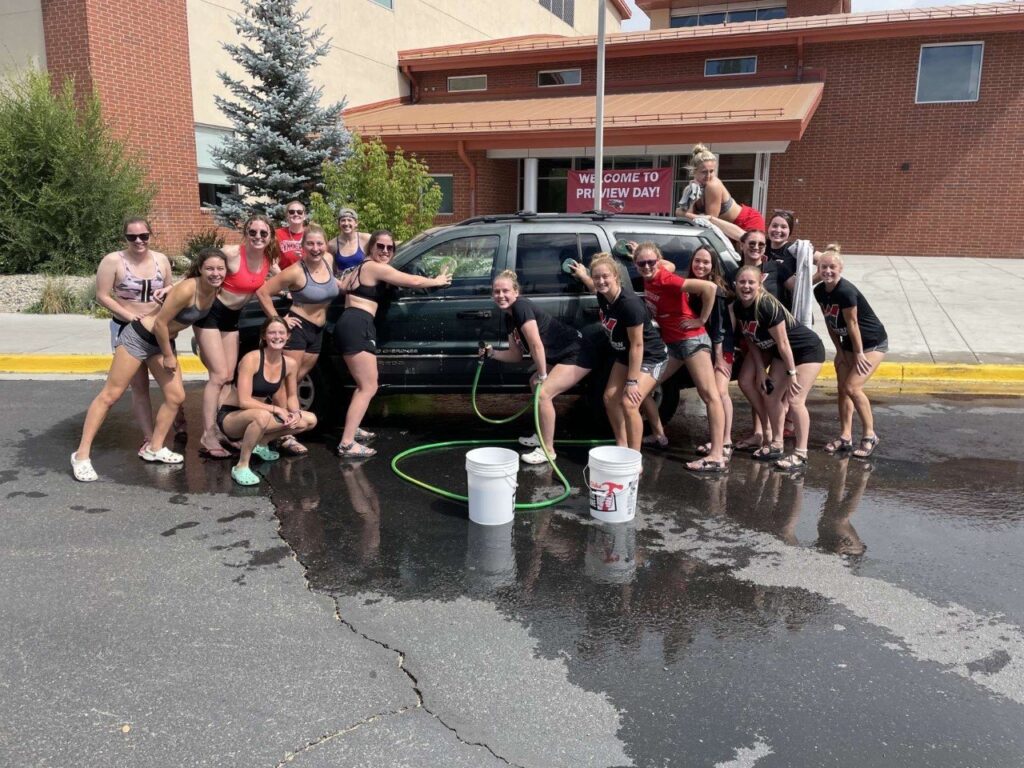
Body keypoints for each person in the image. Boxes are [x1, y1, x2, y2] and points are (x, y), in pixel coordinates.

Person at [71, 249, 227, 482]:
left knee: (175, 397)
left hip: (162, 342)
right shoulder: (188, 289)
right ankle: (81, 455)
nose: (215, 273)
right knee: (111, 395)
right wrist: (168, 355)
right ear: (200, 269)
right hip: (141, 337)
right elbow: (162, 323)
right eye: (210, 268)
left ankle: (154, 447)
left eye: (220, 269)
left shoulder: (214, 290)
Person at [334, 230, 452, 457]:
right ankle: (347, 443)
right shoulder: (374, 267)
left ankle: (352, 428)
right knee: (368, 386)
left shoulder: (360, 267)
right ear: (371, 247)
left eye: (390, 248)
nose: (385, 251)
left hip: (351, 323)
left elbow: (341, 285)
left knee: (361, 384)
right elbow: (412, 280)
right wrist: (437, 280)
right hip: (358, 325)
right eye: (380, 246)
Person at [480, 270, 597, 464]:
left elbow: (535, 344)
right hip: (562, 354)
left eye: (505, 291)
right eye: (496, 291)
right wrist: (492, 353)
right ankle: (541, 436)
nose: (500, 295)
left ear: (516, 292)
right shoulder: (509, 317)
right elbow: (516, 355)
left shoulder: (521, 306)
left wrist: (544, 375)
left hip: (579, 352)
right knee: (534, 382)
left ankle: (548, 450)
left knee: (544, 393)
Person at [632, 243, 728, 472]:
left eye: (651, 262)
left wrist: (701, 320)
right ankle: (658, 434)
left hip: (692, 340)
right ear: (635, 265)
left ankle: (717, 456)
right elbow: (666, 263)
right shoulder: (652, 275)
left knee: (710, 395)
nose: (647, 267)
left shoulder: (666, 279)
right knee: (642, 389)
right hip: (674, 345)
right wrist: (642, 252)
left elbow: (709, 289)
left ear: (658, 260)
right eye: (641, 263)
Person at [194, 214, 278, 459]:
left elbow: (282, 276)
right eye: (253, 232)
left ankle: (220, 429)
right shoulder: (231, 254)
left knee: (229, 377)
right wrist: (174, 288)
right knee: (218, 376)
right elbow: (203, 265)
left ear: (270, 236)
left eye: (264, 233)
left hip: (232, 319)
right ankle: (207, 433)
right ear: (246, 234)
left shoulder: (267, 259)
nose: (258, 237)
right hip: (211, 314)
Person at [255, 224, 340, 456]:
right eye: (310, 244)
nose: (315, 248)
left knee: (298, 378)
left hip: (318, 331)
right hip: (299, 328)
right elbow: (262, 292)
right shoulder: (295, 271)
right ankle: (285, 436)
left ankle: (274, 423)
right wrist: (278, 321)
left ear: (325, 245)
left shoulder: (329, 261)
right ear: (302, 247)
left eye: (319, 243)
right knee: (286, 381)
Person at [93, 217, 175, 454]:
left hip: (158, 329)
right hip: (128, 329)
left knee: (171, 382)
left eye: (144, 236)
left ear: (151, 235)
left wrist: (167, 292)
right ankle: (149, 438)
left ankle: (177, 425)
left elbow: (171, 287)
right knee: (139, 387)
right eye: (132, 237)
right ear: (125, 238)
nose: (139, 241)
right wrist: (129, 316)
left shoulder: (161, 259)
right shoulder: (113, 261)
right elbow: (103, 295)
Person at [731, 265, 825, 471]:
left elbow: (783, 343)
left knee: (795, 400)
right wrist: (760, 371)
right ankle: (777, 443)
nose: (746, 286)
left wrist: (792, 374)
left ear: (759, 284)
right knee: (771, 395)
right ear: (736, 284)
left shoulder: (766, 305)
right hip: (782, 355)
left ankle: (801, 453)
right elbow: (752, 340)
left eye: (751, 282)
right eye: (742, 282)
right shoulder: (739, 307)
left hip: (806, 351)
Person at [575, 253, 667, 451]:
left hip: (650, 357)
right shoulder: (603, 294)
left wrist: (632, 382)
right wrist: (583, 275)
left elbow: (637, 345)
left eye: (605, 276)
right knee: (609, 398)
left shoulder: (629, 304)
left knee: (629, 403)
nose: (600, 281)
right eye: (597, 277)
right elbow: (593, 286)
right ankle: (622, 445)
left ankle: (634, 457)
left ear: (616, 276)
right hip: (624, 354)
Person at [215, 317, 317, 485]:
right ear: (264, 336)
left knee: (309, 420)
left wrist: (296, 413)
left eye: (281, 333)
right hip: (232, 418)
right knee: (261, 416)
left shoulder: (290, 364)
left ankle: (261, 442)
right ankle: (241, 466)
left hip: (258, 415)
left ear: (288, 336)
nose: (277, 337)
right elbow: (244, 401)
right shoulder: (252, 359)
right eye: (272, 332)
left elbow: (292, 396)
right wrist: (276, 409)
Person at [814, 245, 888, 459]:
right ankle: (845, 436)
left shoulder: (846, 292)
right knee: (842, 389)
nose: (828, 271)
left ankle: (870, 435)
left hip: (872, 343)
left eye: (832, 267)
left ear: (841, 269)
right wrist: (839, 350)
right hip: (848, 343)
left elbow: (853, 323)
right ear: (818, 269)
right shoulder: (819, 291)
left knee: (853, 387)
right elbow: (830, 321)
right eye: (823, 267)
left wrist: (858, 354)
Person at [686, 246, 736, 463]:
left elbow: (719, 327)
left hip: (722, 346)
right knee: (711, 393)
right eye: (697, 261)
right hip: (705, 345)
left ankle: (725, 442)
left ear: (713, 266)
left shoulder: (716, 290)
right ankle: (718, 440)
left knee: (720, 392)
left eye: (706, 262)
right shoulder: (692, 286)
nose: (701, 266)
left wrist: (719, 357)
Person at [677, 143, 765, 241]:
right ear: (694, 171)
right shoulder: (690, 189)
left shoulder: (712, 185)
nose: (709, 175)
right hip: (725, 229)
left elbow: (709, 223)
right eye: (704, 172)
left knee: (749, 254)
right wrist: (692, 201)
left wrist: (684, 214)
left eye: (711, 171)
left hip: (746, 221)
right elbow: (687, 221)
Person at [328, 207, 370, 274]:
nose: (346, 223)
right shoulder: (332, 245)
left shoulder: (366, 239)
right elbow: (330, 269)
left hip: (364, 280)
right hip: (343, 282)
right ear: (338, 224)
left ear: (356, 223)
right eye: (343, 220)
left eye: (349, 220)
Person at [275, 199, 307, 270]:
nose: (296, 214)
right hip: (284, 278)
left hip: (307, 278)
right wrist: (283, 278)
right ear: (287, 216)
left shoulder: (310, 234)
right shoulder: (277, 234)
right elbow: (272, 261)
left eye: (299, 212)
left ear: (304, 216)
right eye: (292, 212)